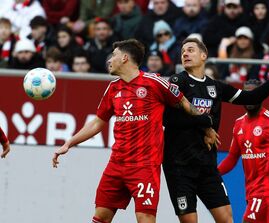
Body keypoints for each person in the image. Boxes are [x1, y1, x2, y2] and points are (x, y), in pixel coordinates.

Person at [52, 39, 217, 223]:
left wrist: (206, 126)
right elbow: (98, 123)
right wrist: (69, 143)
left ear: (124, 58)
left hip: (144, 166)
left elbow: (184, 103)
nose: (109, 60)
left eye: (113, 55)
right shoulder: (113, 88)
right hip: (116, 164)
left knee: (145, 218)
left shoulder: (154, 82)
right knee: (100, 216)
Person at [162, 37, 269, 223]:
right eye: (183, 52)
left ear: (204, 55)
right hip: (180, 166)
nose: (185, 54)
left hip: (207, 166)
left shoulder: (215, 87)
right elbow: (169, 118)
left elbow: (251, 97)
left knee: (227, 219)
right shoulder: (177, 81)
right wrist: (205, 122)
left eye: (190, 50)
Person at [218, 79, 269, 222]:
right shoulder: (238, 124)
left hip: (267, 189)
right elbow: (232, 158)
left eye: (253, 93)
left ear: (262, 94)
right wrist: (212, 173)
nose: (249, 98)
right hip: (250, 190)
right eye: (246, 94)